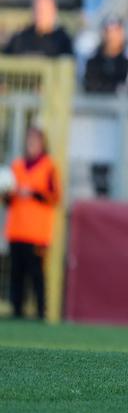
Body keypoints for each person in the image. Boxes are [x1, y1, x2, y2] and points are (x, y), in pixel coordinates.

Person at [4, 126, 60, 320]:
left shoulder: (49, 166)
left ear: (42, 144)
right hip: (16, 229)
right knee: (16, 274)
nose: (32, 144)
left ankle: (40, 312)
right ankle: (16, 310)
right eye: (29, 140)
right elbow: (7, 199)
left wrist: (35, 193)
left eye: (35, 141)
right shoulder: (17, 166)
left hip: (37, 232)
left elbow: (55, 196)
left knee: (36, 274)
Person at [3, 0, 73, 57]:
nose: (40, 14)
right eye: (37, 9)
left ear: (53, 11)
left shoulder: (63, 41)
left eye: (45, 10)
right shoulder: (20, 39)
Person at [82, 17, 128, 93]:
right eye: (108, 31)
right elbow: (87, 83)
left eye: (116, 31)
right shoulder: (93, 57)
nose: (111, 36)